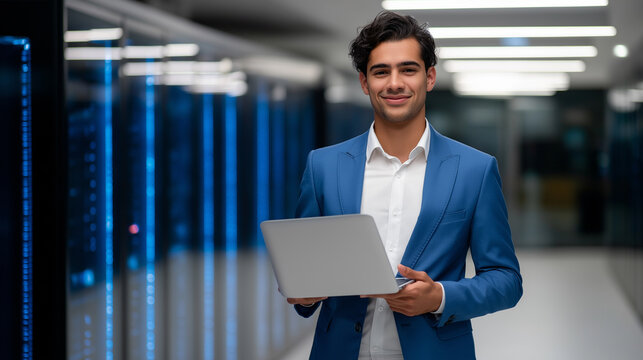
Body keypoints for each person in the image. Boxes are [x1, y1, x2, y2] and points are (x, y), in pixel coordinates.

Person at [287, 11, 522, 360]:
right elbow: (306, 270)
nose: (394, 83)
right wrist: (303, 293)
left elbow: (506, 280)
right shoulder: (323, 166)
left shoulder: (475, 169)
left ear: (429, 77)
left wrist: (441, 296)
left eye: (408, 69)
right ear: (365, 83)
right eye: (381, 71)